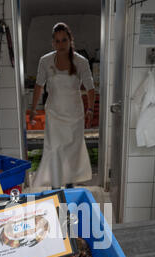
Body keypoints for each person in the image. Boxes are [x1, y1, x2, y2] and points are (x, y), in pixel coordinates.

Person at [30, 22, 95, 189]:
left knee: (72, 151)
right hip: (54, 114)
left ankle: (69, 184)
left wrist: (90, 109)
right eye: (57, 41)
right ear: (53, 43)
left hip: (75, 115)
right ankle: (55, 186)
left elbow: (90, 87)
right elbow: (39, 85)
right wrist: (32, 109)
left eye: (64, 40)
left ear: (70, 40)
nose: (61, 44)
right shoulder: (45, 61)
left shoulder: (81, 62)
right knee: (54, 150)